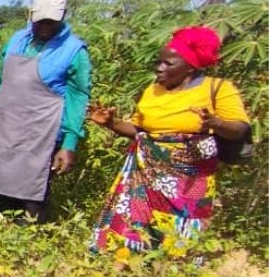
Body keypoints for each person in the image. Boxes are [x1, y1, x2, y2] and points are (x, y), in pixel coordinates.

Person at [89, 25, 250, 256]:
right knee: (130, 230)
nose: (159, 68)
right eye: (158, 62)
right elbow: (139, 129)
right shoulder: (153, 91)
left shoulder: (218, 89)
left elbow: (239, 128)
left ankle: (171, 275)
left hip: (189, 183)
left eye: (168, 64)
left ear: (190, 67)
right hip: (145, 177)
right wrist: (110, 123)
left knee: (179, 238)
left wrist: (216, 123)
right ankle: (124, 270)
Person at [0, 0, 90, 223]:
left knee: (31, 199)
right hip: (6, 128)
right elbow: (1, 83)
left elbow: (77, 97)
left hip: (40, 136)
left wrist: (69, 144)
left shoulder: (73, 50)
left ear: (63, 17)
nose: (45, 26)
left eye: (51, 21)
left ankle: (27, 248)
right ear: (32, 16)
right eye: (40, 21)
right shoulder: (17, 39)